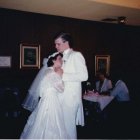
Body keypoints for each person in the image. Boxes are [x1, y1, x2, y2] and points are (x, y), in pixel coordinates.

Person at [20, 52, 68, 139]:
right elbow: (61, 89)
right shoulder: (50, 72)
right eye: (59, 59)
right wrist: (61, 74)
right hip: (50, 101)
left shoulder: (51, 71)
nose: (62, 61)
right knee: (50, 124)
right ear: (53, 60)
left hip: (51, 99)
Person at [54, 32, 88, 139]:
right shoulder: (60, 57)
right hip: (60, 97)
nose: (56, 46)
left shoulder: (76, 55)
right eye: (55, 44)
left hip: (70, 99)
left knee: (69, 128)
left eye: (58, 44)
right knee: (61, 127)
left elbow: (84, 76)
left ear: (66, 42)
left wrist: (63, 75)